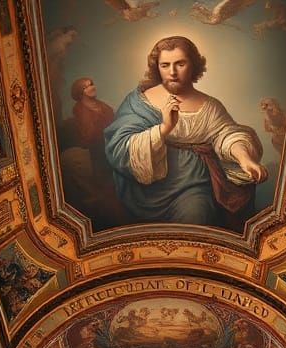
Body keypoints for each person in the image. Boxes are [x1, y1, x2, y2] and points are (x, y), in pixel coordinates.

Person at [103, 35, 266, 228]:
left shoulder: (210, 106)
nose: (172, 72)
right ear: (157, 67)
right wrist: (164, 128)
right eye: (165, 65)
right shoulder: (139, 102)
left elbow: (227, 134)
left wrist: (244, 159)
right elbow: (119, 146)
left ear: (193, 65)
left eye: (180, 64)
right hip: (148, 189)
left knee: (196, 216)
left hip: (194, 186)